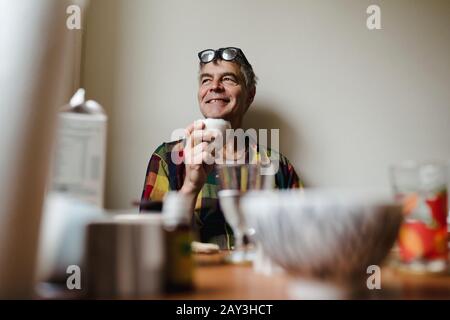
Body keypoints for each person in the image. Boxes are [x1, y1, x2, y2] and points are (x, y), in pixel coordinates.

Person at [140, 47, 302, 249]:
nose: (214, 86)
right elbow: (148, 246)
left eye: (228, 79)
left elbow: (302, 242)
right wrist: (190, 187)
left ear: (250, 95)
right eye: (206, 80)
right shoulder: (166, 158)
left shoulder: (278, 167)